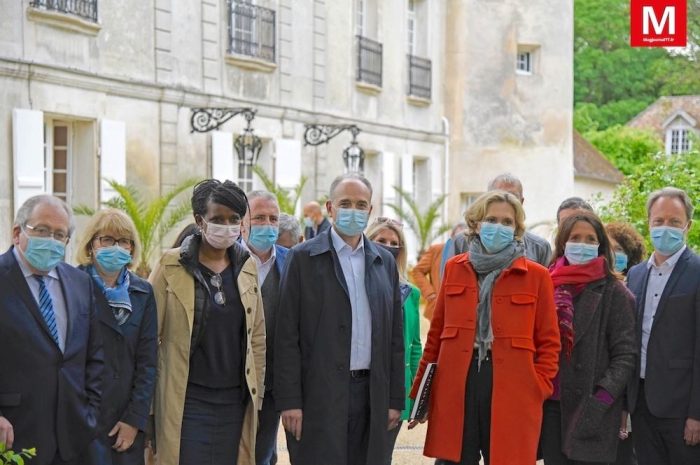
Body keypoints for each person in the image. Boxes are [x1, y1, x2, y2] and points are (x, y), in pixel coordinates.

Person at [409, 190, 561, 465]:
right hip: (458, 383)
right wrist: (421, 392)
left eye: (507, 222)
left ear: (517, 229)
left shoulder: (536, 275)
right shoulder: (455, 268)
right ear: (477, 223)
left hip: (514, 387)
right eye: (492, 219)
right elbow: (436, 336)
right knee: (453, 461)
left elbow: (550, 342)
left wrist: (538, 387)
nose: (499, 227)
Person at [274, 173, 404, 465]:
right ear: (329, 208)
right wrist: (290, 401)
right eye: (345, 203)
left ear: (370, 211)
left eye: (361, 204)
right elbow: (286, 337)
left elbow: (395, 337)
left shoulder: (384, 263)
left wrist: (395, 400)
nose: (353, 210)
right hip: (319, 395)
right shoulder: (302, 259)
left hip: (371, 395)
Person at [149, 180, 265, 465]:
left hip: (234, 401)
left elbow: (257, 337)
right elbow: (148, 336)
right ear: (199, 220)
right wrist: (150, 407)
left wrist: (257, 392)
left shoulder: (247, 267)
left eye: (234, 219)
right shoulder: (170, 266)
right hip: (187, 400)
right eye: (217, 219)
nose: (226, 226)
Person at [0, 195, 104, 465]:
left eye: (60, 234)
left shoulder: (80, 283)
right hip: (13, 436)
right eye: (42, 230)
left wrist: (89, 412)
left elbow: (94, 355)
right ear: (17, 232)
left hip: (74, 438)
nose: (51, 240)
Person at [540, 211, 636, 465]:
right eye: (575, 237)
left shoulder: (615, 293)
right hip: (551, 406)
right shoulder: (546, 284)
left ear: (600, 245)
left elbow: (625, 356)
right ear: (563, 243)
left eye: (590, 239)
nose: (582, 244)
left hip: (592, 408)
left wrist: (601, 400)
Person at [76, 209, 157, 465]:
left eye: (124, 241)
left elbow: (148, 362)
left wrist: (135, 419)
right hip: (82, 414)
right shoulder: (72, 284)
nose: (117, 247)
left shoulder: (143, 292)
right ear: (91, 244)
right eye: (107, 240)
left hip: (125, 417)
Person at [626, 187, 700, 465]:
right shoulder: (634, 275)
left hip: (682, 409)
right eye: (658, 221)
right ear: (648, 223)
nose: (665, 228)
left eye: (674, 222)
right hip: (641, 403)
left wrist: (697, 414)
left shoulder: (697, 272)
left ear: (688, 227)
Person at [366, 218, 422, 465]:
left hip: (395, 390)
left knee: (381, 456)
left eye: (394, 243)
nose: (388, 246)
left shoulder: (410, 293)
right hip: (360, 384)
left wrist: (417, 396)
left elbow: (415, 347)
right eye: (381, 241)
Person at [240, 191, 289, 465]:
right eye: (259, 217)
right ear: (242, 222)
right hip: (229, 379)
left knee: (263, 452)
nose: (267, 225)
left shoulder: (292, 262)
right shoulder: (225, 258)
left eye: (273, 219)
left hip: (271, 381)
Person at [444, 173, 552, 270]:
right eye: (498, 195)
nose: (504, 201)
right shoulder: (461, 242)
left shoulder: (539, 247)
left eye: (512, 196)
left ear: (521, 202)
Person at [604, 222, 645, 465]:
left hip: (629, 392)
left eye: (618, 249)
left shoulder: (635, 288)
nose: (613, 254)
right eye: (608, 248)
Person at [412, 223, 466, 320]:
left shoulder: (473, 255)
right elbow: (417, 271)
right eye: (458, 236)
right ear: (452, 236)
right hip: (439, 308)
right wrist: (430, 294)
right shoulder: (437, 250)